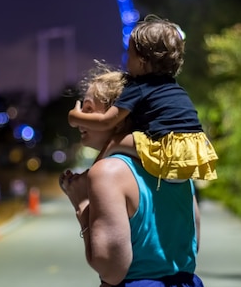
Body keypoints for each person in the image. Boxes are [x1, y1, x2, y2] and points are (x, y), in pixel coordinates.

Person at [60, 63, 209, 287]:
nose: (80, 120)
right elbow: (192, 247)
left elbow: (112, 269)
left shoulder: (107, 172)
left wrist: (82, 206)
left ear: (117, 119)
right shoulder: (175, 167)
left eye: (89, 109)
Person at [68, 14, 218, 188]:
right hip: (193, 155)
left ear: (142, 61)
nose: (126, 61)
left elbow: (106, 121)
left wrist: (74, 117)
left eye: (129, 54)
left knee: (115, 141)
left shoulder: (139, 87)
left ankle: (90, 178)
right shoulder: (174, 87)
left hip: (168, 155)